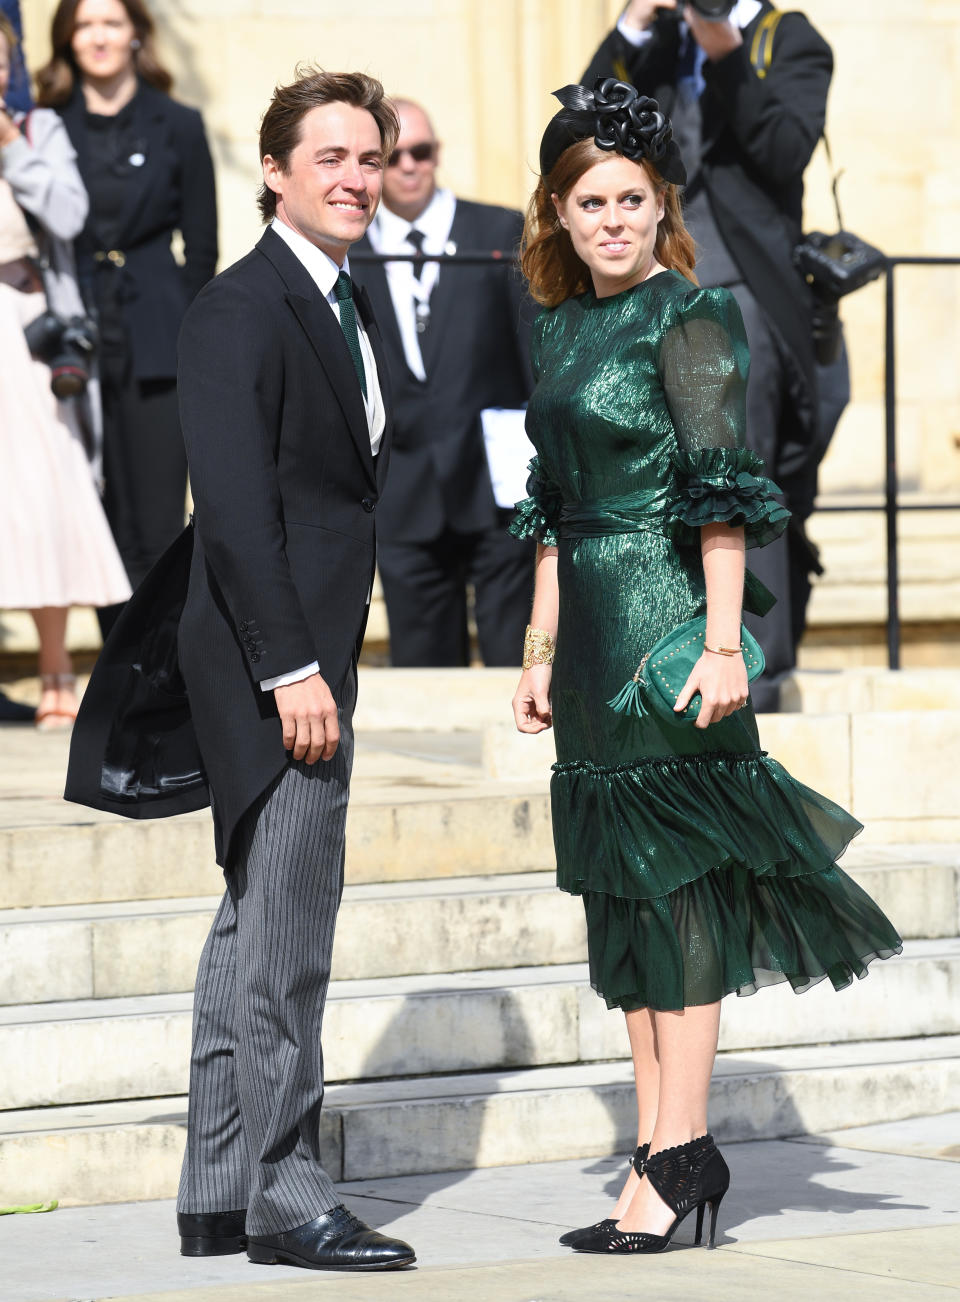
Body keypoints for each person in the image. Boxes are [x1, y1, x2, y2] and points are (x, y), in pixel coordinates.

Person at [510, 79, 901, 1255]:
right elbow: (552, 506)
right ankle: (660, 1150)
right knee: (626, 892)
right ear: (560, 216)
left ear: (659, 206)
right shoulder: (563, 322)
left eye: (633, 198)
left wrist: (728, 643)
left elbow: (722, 496)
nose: (615, 219)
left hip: (674, 630)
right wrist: (534, 651)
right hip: (586, 640)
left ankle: (677, 1153)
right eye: (593, 202)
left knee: (679, 891)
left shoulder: (690, 316)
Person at [65, 67, 415, 1271]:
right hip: (279, 665)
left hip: (296, 652)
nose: (357, 179)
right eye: (330, 158)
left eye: (369, 159)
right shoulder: (239, 305)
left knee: (250, 929)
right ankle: (285, 1192)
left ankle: (219, 1191)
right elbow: (235, 509)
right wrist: (293, 669)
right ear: (273, 170)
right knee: (288, 940)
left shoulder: (337, 295)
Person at [582, 0, 834, 709]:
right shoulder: (657, 41)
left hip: (741, 288)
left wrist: (723, 46)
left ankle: (758, 669)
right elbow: (584, 132)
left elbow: (784, 150)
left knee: (740, 473)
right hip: (654, 283)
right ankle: (657, 648)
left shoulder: (788, 38)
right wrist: (635, 22)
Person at [35, 0, 217, 632]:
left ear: (136, 34)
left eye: (111, 23)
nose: (99, 37)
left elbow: (202, 247)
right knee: (92, 513)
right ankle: (115, 668)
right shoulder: (46, 125)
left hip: (155, 334)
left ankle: (160, 668)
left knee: (159, 514)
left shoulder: (180, 123)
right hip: (68, 336)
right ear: (67, 40)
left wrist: (190, 334)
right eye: (85, 26)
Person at [352, 98, 535, 667]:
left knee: (515, 660)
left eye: (421, 151)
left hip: (497, 484)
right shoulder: (348, 252)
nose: (409, 165)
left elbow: (534, 356)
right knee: (423, 673)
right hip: (401, 491)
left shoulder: (497, 229)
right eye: (392, 155)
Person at [0, 12, 129, 727]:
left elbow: (71, 215)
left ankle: (57, 670)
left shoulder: (38, 129)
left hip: (25, 325)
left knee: (47, 491)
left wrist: (14, 146)